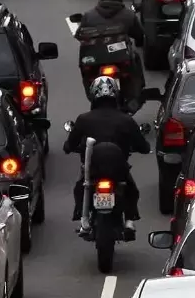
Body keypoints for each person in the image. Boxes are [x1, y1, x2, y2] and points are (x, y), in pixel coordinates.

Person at [63, 76, 150, 230]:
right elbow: (143, 146)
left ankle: (81, 215)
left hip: (92, 168)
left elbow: (70, 144)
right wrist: (142, 147)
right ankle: (130, 219)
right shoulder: (125, 120)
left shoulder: (83, 119)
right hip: (118, 169)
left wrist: (69, 147)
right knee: (131, 189)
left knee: (79, 187)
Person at [74, 0, 144, 102]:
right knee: (135, 59)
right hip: (122, 59)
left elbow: (79, 35)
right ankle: (136, 95)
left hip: (95, 61)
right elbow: (139, 35)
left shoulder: (89, 16)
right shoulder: (128, 15)